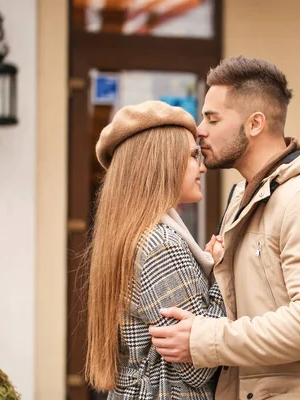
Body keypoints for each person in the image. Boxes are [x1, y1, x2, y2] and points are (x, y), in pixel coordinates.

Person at [149, 56, 300, 399]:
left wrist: (206, 339)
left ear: (255, 124)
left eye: (212, 118)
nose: (200, 129)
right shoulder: (247, 201)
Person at [84, 101, 226, 400]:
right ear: (160, 162)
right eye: (191, 155)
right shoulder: (162, 245)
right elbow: (198, 368)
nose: (201, 166)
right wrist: (223, 276)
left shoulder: (134, 234)